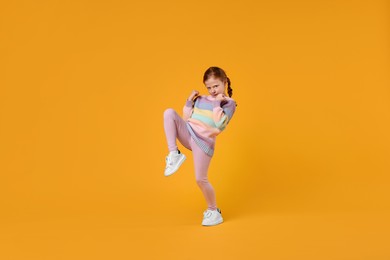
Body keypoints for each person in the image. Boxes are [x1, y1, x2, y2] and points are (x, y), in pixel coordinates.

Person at [163, 66, 237, 226]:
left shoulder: (228, 103)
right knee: (169, 113)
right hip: (189, 132)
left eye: (216, 86)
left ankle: (213, 211)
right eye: (209, 87)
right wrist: (189, 101)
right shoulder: (202, 99)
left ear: (224, 82)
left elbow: (220, 125)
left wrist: (217, 104)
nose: (212, 90)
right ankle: (174, 154)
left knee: (200, 179)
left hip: (203, 142)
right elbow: (185, 118)